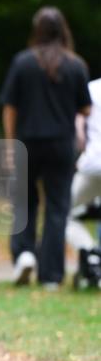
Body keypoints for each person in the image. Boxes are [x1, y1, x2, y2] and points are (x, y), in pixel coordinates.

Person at [0, 7, 91, 288]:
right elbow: (86, 109)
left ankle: (24, 255)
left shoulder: (22, 63)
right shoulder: (75, 65)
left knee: (24, 203)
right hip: (61, 146)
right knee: (57, 208)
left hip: (28, 142)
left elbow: (10, 107)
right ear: (63, 30)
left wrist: (10, 142)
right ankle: (51, 275)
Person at [66, 77, 101, 288]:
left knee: (62, 212)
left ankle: (91, 254)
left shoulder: (92, 89)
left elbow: (79, 133)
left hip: (93, 164)